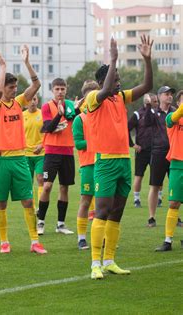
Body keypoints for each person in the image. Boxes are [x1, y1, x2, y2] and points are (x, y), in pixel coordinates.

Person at [86, 35, 153, 280]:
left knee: (117, 213)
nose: (119, 83)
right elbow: (103, 90)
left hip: (124, 161)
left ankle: (110, 260)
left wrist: (147, 60)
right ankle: (95, 263)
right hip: (105, 162)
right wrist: (113, 60)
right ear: (104, 81)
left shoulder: (120, 98)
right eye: (115, 79)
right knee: (101, 211)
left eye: (119, 80)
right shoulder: (94, 98)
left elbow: (146, 87)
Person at [0, 46, 46, 255]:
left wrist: (27, 62)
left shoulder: (19, 102)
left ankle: (34, 241)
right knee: (1, 202)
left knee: (28, 201)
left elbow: (37, 84)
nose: (14, 90)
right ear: (3, 87)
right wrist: (2, 67)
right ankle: (4, 241)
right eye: (11, 87)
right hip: (2, 160)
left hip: (20, 158)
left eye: (15, 87)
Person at [37, 77, 79, 235]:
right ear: (52, 90)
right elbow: (47, 127)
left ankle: (60, 224)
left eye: (62, 89)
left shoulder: (70, 105)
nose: (60, 92)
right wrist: (58, 115)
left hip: (68, 151)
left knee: (64, 188)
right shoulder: (47, 107)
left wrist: (76, 109)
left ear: (66, 89)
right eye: (57, 89)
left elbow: (73, 119)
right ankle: (40, 222)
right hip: (51, 152)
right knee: (47, 186)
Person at [73, 80, 99, 250]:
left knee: (105, 203)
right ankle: (81, 238)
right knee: (85, 200)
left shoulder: (102, 115)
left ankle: (102, 235)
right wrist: (96, 142)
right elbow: (79, 144)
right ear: (85, 97)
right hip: (89, 165)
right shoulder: (79, 119)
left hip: (105, 163)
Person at [145, 86, 176, 227]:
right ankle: (151, 217)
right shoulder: (153, 112)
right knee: (155, 186)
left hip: (174, 153)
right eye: (167, 94)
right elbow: (145, 123)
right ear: (159, 96)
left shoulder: (175, 112)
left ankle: (176, 216)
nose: (170, 96)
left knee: (176, 186)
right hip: (158, 152)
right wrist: (147, 106)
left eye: (171, 94)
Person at [155, 101, 183, 251]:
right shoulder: (172, 117)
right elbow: (177, 115)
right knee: (174, 203)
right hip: (178, 166)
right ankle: (168, 241)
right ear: (178, 103)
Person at [128, 93, 158, 208]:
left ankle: (159, 198)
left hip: (155, 149)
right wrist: (133, 145)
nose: (156, 104)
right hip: (142, 150)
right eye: (154, 101)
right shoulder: (137, 114)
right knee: (139, 175)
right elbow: (127, 129)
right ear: (147, 102)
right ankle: (136, 199)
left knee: (156, 175)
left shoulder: (157, 113)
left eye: (156, 102)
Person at [22, 93, 44, 212]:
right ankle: (32, 206)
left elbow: (48, 132)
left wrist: (42, 145)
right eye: (30, 99)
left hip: (41, 153)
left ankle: (41, 207)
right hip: (26, 154)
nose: (32, 102)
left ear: (38, 100)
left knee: (40, 178)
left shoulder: (42, 114)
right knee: (27, 181)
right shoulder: (21, 116)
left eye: (34, 99)